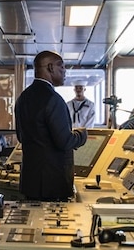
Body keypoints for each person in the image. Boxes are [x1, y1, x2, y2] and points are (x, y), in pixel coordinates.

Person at [14, 51, 87, 201]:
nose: (65, 71)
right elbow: (65, 141)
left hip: (31, 183)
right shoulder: (53, 100)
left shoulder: (23, 97)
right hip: (53, 185)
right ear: (50, 67)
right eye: (62, 67)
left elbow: (21, 136)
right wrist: (82, 135)